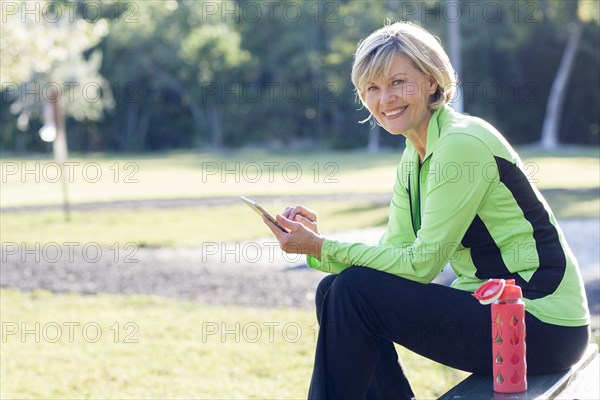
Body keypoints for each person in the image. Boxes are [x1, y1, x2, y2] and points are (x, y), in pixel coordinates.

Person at [263, 21, 590, 400]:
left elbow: (420, 266)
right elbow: (393, 256)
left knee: (352, 292)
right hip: (496, 316)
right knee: (334, 290)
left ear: (432, 81)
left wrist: (323, 248)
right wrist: (316, 248)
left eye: (398, 82)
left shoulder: (460, 144)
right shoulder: (413, 156)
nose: (385, 99)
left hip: (541, 325)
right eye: (372, 88)